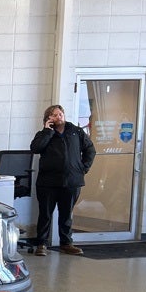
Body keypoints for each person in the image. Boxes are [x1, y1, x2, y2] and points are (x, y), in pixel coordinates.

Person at [29, 104, 96, 256]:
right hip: (48, 182)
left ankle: (66, 243)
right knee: (45, 214)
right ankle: (42, 244)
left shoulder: (76, 132)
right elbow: (35, 148)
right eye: (54, 115)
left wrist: (83, 168)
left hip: (71, 181)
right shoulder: (43, 134)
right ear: (48, 119)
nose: (58, 117)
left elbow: (90, 150)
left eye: (60, 114)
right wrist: (47, 131)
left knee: (66, 214)